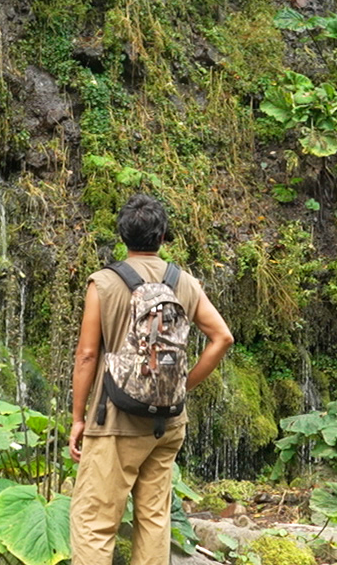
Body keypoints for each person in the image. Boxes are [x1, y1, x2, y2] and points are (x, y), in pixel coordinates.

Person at [68, 193, 233, 565]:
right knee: (154, 517)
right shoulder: (185, 283)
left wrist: (78, 419)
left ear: (123, 237)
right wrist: (183, 385)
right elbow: (222, 337)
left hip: (115, 420)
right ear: (162, 238)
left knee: (94, 522)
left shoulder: (105, 283)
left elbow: (88, 355)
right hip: (168, 420)